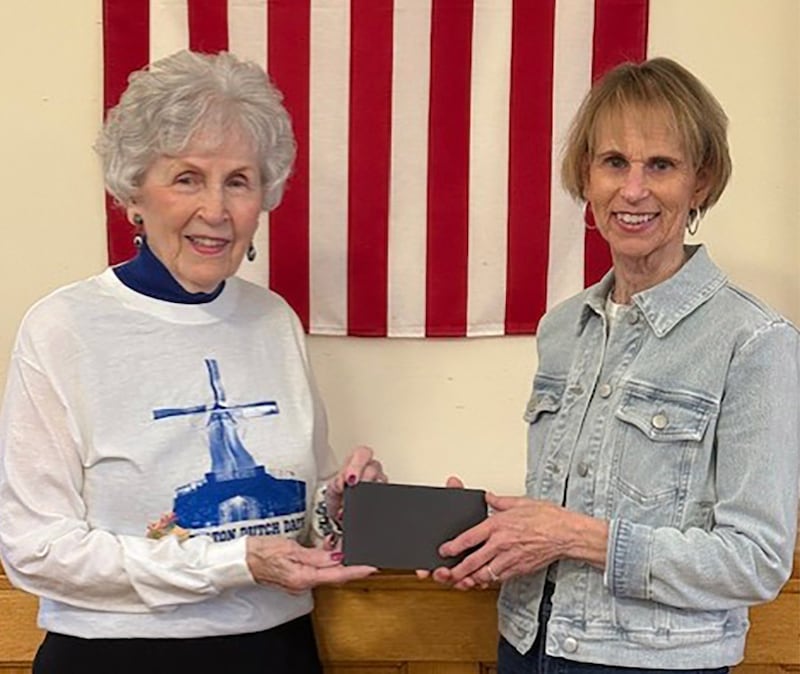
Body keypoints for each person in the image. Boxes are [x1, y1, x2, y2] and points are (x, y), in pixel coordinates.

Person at [0, 50, 386, 674]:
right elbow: (34, 550)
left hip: (275, 652)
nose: (216, 210)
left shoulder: (272, 321)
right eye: (186, 178)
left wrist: (336, 505)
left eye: (239, 181)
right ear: (133, 191)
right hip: (117, 659)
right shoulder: (64, 328)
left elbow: (297, 524)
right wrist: (232, 564)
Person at [432, 57, 799, 672]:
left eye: (661, 165)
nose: (633, 190)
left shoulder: (754, 340)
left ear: (700, 182)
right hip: (527, 648)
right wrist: (485, 540)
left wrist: (574, 536)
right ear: (587, 175)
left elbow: (757, 562)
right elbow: (573, 507)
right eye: (614, 162)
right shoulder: (562, 328)